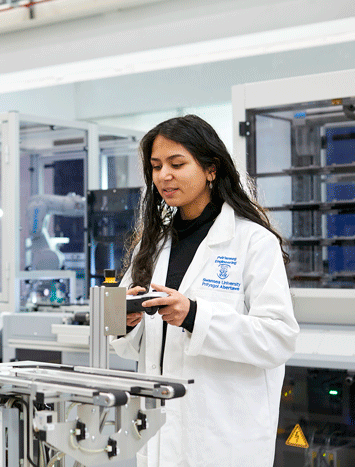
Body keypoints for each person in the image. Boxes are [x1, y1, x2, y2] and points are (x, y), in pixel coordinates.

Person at [110, 115, 299, 467]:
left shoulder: (252, 241)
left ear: (211, 169)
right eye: (156, 166)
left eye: (177, 163)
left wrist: (194, 315)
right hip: (160, 431)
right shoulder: (152, 246)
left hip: (223, 437)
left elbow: (279, 338)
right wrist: (127, 319)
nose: (164, 175)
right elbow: (126, 344)